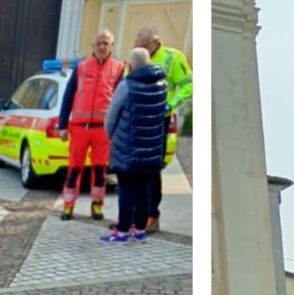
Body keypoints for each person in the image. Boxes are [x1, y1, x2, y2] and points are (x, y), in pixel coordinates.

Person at [102, 46, 168, 244]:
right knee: (143, 192)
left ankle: (122, 232)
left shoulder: (126, 86)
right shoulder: (162, 84)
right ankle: (139, 231)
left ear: (130, 65)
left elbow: (111, 116)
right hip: (151, 151)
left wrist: (111, 137)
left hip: (127, 149)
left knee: (126, 192)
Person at [57, 29, 124, 222]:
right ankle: (68, 205)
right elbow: (68, 97)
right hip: (79, 128)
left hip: (103, 130)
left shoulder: (119, 69)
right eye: (99, 43)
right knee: (74, 169)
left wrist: (118, 129)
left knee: (99, 170)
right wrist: (62, 125)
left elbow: (121, 101)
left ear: (112, 45)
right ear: (93, 46)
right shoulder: (81, 67)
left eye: (106, 43)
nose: (102, 46)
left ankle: (97, 205)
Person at [134, 26, 192, 233]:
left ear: (155, 43)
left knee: (151, 168)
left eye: (142, 47)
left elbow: (188, 85)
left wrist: (171, 104)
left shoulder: (173, 57)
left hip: (159, 120)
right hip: (136, 120)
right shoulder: (136, 58)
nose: (138, 50)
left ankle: (152, 215)